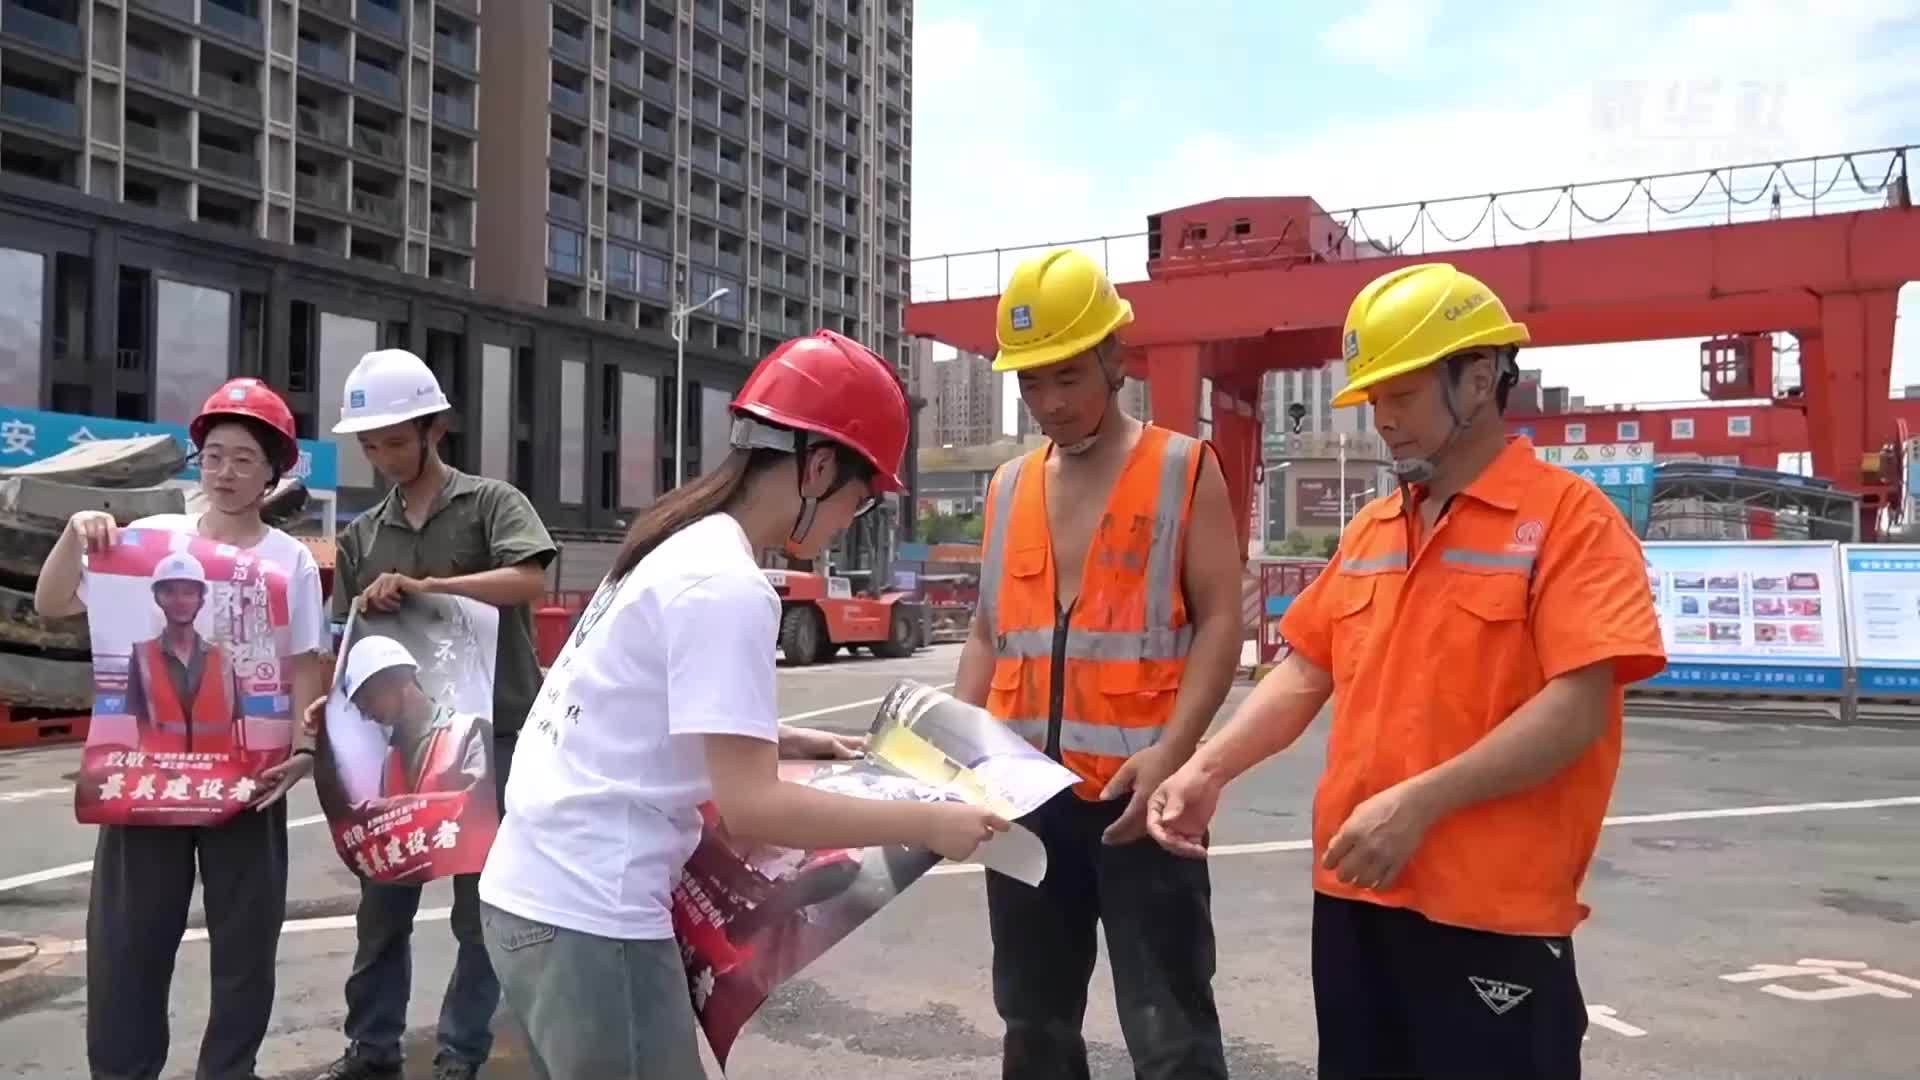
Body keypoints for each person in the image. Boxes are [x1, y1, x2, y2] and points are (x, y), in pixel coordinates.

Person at [1147, 262, 1669, 1079]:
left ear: (1481, 376)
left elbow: (1578, 709)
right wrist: (1207, 769)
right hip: (1356, 900)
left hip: (1491, 914)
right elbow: (1304, 670)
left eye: (1403, 396)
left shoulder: (1572, 523)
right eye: (1373, 400)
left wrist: (1421, 804)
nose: (1383, 421)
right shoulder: (1373, 529)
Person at [476, 329, 1010, 1080]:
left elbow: (645, 708)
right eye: (858, 503)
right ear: (818, 467)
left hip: (530, 898)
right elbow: (756, 809)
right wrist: (934, 823)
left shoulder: (672, 542)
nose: (844, 526)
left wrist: (787, 738)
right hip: (593, 916)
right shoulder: (726, 583)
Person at [954, 248, 1244, 1080]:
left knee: (1172, 1029)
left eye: (1068, 378)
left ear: (1117, 359)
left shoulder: (1184, 468)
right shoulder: (1007, 486)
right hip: (1023, 801)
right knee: (1034, 1024)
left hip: (1138, 797)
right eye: (1032, 385)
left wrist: (1174, 755)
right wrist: (961, 757)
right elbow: (986, 631)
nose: (1049, 403)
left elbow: (1222, 619)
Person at [35, 377, 331, 1080]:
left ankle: (229, 1071)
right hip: (146, 786)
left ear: (274, 472)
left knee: (245, 947)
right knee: (128, 945)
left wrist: (304, 750)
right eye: (214, 456)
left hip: (248, 783)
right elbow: (51, 604)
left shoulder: (288, 560)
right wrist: (75, 534)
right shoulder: (146, 544)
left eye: (244, 460)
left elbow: (304, 663)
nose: (225, 473)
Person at [310, 348, 558, 1080]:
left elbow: (529, 579)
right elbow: (350, 643)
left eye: (395, 440)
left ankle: (461, 1055)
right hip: (400, 749)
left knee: (482, 915)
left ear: (435, 428)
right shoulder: (360, 537)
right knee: (381, 907)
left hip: (498, 738)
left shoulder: (491, 504)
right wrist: (329, 713)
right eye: (371, 444)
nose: (384, 457)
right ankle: (372, 1049)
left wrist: (426, 584)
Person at [340, 634, 490, 802]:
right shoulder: (391, 760)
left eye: (368, 701)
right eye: (362, 710)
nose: (366, 716)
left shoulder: (468, 732)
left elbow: (482, 808)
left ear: (396, 678)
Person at [124, 551, 247, 754]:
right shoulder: (141, 657)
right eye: (170, 592)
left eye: (189, 593)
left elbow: (236, 725)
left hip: (215, 775)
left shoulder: (224, 659)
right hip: (161, 775)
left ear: (201, 600)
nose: (180, 601)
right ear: (157, 598)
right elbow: (133, 724)